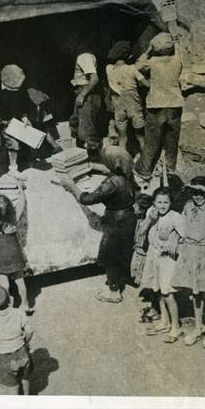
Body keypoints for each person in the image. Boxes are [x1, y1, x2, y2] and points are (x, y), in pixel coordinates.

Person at [59, 146, 137, 303]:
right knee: (124, 251)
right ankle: (124, 277)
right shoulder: (127, 175)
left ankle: (114, 291)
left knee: (110, 255)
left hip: (115, 222)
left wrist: (71, 185)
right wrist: (92, 166)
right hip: (128, 217)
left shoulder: (111, 183)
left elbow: (87, 199)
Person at [172, 177, 205, 350]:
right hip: (191, 250)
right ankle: (198, 326)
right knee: (195, 290)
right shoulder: (188, 205)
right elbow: (177, 208)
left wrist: (202, 187)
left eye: (201, 193)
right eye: (195, 193)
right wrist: (188, 189)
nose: (198, 196)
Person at [134, 33, 184, 181]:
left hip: (157, 105)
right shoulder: (177, 61)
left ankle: (145, 170)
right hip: (175, 104)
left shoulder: (152, 62)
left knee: (152, 140)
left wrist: (148, 50)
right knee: (172, 139)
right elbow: (177, 57)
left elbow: (137, 66)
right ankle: (170, 168)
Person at [139, 187, 186, 343]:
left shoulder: (175, 217)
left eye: (166, 202)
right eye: (159, 202)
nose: (162, 206)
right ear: (153, 202)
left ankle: (175, 327)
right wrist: (149, 220)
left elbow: (187, 236)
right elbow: (140, 232)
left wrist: (176, 238)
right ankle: (165, 322)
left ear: (171, 203)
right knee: (158, 289)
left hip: (168, 259)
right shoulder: (151, 213)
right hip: (153, 255)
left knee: (167, 293)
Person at [0, 182, 33, 314]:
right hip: (12, 251)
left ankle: (7, 307)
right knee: (20, 280)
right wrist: (20, 186)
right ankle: (25, 304)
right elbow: (22, 200)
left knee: (4, 284)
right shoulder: (14, 218)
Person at [0, 65, 32, 175]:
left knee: (14, 142)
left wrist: (24, 116)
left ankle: (13, 169)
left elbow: (24, 103)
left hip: (11, 117)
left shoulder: (20, 84)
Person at [106, 41, 149, 154]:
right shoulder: (132, 68)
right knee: (140, 136)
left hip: (118, 105)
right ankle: (145, 160)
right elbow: (147, 84)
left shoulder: (109, 69)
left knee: (122, 137)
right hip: (133, 105)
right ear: (129, 56)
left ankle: (123, 160)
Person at [69, 51, 103, 160]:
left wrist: (82, 94)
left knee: (87, 130)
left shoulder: (84, 56)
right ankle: (83, 156)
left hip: (85, 92)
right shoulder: (85, 56)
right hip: (82, 91)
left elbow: (94, 78)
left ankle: (94, 160)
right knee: (76, 123)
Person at [27, 86, 63, 157]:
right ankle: (56, 147)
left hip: (35, 100)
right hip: (38, 99)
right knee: (39, 127)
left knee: (35, 127)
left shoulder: (31, 88)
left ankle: (34, 155)